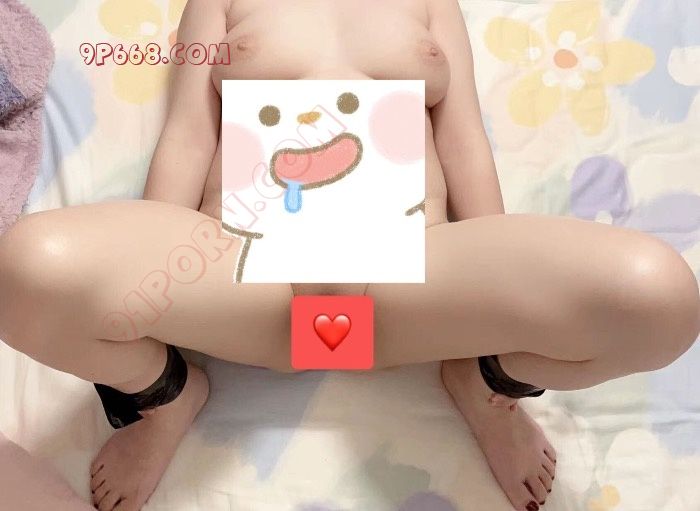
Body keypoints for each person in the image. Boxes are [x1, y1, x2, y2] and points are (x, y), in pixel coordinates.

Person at [0, 1, 698, 510]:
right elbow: (187, 136)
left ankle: (487, 385)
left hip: (407, 287)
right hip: (245, 286)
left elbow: (464, 142)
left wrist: (496, 307)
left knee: (660, 296)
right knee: (24, 269)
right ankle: (168, 397)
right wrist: (160, 288)